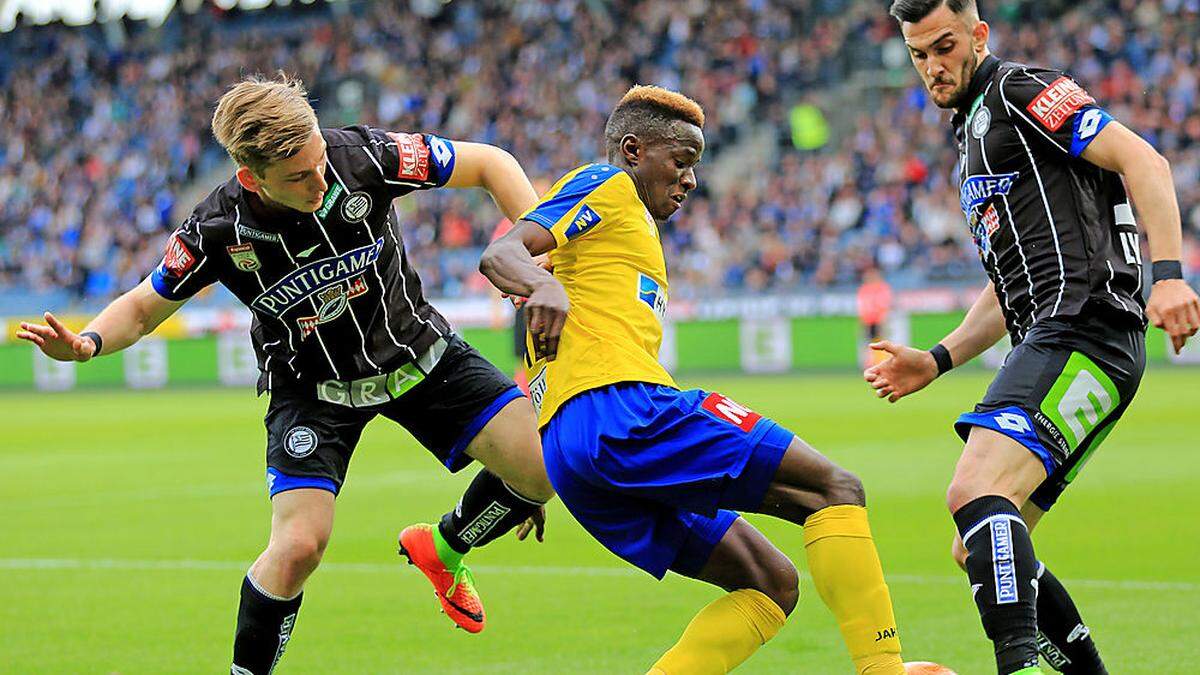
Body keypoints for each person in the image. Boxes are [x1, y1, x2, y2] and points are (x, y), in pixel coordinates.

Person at [17, 75, 554, 674]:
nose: (321, 183)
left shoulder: (363, 156)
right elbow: (144, 307)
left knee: (544, 467)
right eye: (299, 177)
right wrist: (88, 342)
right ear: (252, 178)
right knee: (298, 547)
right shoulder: (215, 231)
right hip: (311, 391)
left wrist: (540, 253)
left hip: (416, 355)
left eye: (320, 163)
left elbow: (490, 163)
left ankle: (446, 547)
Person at [480, 85, 907, 675]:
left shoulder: (614, 240)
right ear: (633, 151)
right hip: (623, 414)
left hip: (573, 453)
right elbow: (502, 254)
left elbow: (543, 345)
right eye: (680, 162)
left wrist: (529, 467)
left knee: (771, 585)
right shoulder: (609, 185)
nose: (690, 180)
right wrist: (542, 283)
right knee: (835, 488)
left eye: (696, 167)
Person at [867, 2, 1200, 674]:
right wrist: (936, 359)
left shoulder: (1019, 92)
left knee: (972, 491)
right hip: (1062, 336)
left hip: (1084, 328)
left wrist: (1169, 276)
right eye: (919, 54)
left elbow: (1145, 161)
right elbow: (1008, 282)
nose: (934, 65)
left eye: (946, 46)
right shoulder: (973, 136)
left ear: (979, 35)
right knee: (979, 545)